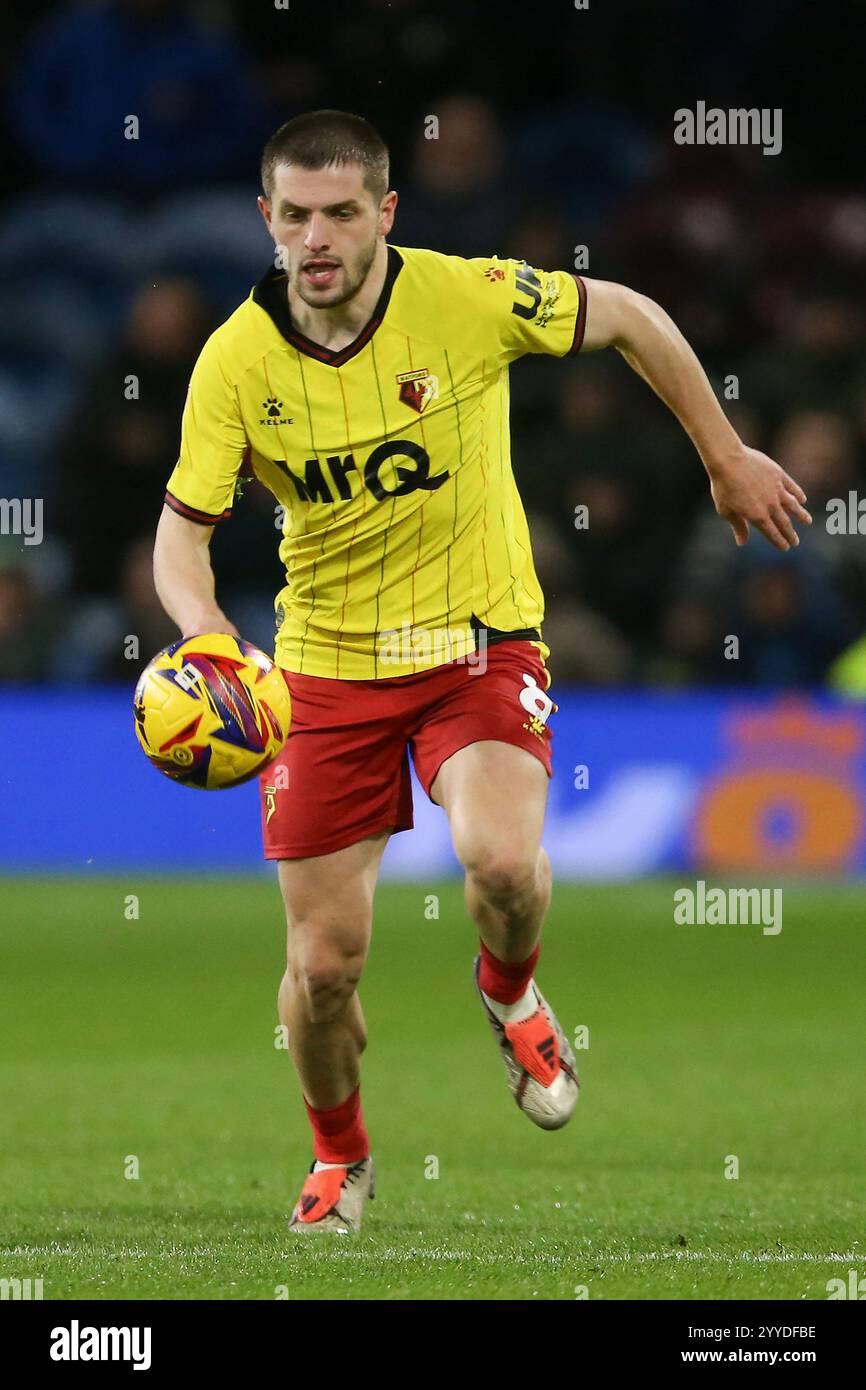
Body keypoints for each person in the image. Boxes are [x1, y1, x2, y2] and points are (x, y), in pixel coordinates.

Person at [152, 109, 811, 1234]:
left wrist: (721, 450)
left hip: (476, 640)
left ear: (384, 215)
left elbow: (634, 316)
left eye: (341, 214)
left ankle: (506, 988)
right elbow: (179, 537)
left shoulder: (466, 296)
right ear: (267, 218)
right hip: (320, 671)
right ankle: (340, 1154)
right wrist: (210, 634)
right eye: (295, 215)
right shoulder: (233, 362)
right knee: (322, 970)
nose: (317, 238)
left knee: (501, 865)